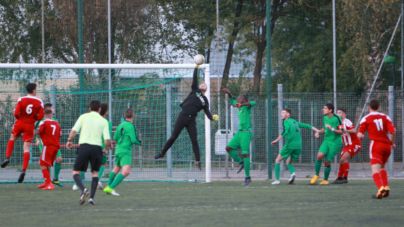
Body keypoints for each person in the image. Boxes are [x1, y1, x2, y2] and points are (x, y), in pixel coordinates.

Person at [154, 66, 218, 170]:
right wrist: (196, 67)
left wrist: (213, 118)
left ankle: (197, 161)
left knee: (194, 141)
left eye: (204, 84)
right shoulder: (195, 90)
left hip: (191, 120)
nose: (202, 84)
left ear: (206, 89)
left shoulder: (205, 100)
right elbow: (195, 78)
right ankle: (162, 153)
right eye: (202, 83)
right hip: (182, 116)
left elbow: (208, 114)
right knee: (173, 137)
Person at [66, 100, 111, 205]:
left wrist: (69, 140)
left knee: (75, 173)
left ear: (90, 108)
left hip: (84, 147)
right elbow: (107, 140)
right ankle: (91, 198)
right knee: (95, 173)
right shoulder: (104, 121)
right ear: (100, 109)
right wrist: (105, 150)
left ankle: (83, 189)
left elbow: (74, 131)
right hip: (97, 149)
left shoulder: (83, 116)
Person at [1, 83, 44, 183]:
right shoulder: (39, 101)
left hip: (20, 122)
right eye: (36, 89)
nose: (36, 90)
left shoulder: (21, 99)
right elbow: (41, 117)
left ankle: (7, 157)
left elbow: (16, 113)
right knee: (26, 148)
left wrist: (19, 119)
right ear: (34, 90)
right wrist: (33, 119)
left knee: (12, 138)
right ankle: (23, 170)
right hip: (30, 125)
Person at [358, 98, 396, 199]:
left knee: (375, 170)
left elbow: (359, 134)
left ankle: (380, 188)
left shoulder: (366, 118)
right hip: (387, 145)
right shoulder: (386, 117)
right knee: (382, 167)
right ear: (379, 107)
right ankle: (386, 187)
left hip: (376, 145)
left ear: (369, 107)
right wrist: (392, 143)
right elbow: (393, 132)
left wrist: (361, 136)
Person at [271, 109, 319, 185]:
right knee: (288, 161)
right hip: (298, 146)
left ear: (288, 115)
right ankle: (292, 174)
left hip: (290, 145)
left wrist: (276, 140)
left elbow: (285, 132)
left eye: (283, 113)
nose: (281, 114)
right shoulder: (295, 122)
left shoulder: (286, 121)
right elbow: (307, 125)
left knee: (278, 160)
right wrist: (317, 131)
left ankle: (277, 180)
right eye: (281, 113)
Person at [220, 88, 254, 185]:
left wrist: (242, 104)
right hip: (239, 133)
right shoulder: (238, 106)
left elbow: (253, 103)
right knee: (228, 148)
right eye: (238, 99)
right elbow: (232, 100)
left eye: (240, 99)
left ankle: (247, 177)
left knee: (245, 154)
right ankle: (240, 162)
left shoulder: (247, 107)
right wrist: (229, 92)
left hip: (246, 133)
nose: (238, 101)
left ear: (244, 101)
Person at [104, 108, 141, 196]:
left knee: (116, 168)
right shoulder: (131, 125)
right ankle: (111, 187)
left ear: (125, 115)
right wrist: (140, 142)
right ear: (133, 115)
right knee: (126, 171)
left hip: (118, 150)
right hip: (125, 151)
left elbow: (115, 138)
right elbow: (133, 139)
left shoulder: (121, 125)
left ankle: (108, 187)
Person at [310, 103, 343, 185]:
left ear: (330, 110)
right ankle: (317, 174)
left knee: (327, 162)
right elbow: (325, 129)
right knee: (319, 155)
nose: (323, 109)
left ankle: (325, 180)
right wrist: (318, 132)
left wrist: (332, 129)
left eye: (325, 108)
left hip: (335, 142)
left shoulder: (337, 118)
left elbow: (341, 132)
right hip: (327, 140)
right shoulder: (325, 118)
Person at [34, 103, 64, 187]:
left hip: (54, 143)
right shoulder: (40, 120)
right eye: (52, 108)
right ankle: (47, 181)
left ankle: (55, 179)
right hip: (45, 144)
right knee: (46, 162)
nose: (54, 109)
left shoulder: (55, 120)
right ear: (48, 110)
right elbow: (37, 131)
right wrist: (36, 139)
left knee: (59, 159)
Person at [331, 108, 362, 184]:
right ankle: (339, 178)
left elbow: (354, 130)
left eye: (339, 112)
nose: (337, 114)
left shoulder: (346, 121)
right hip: (347, 146)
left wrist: (344, 130)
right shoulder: (339, 124)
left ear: (344, 115)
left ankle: (345, 178)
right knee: (341, 160)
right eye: (337, 112)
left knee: (344, 159)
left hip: (354, 144)